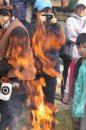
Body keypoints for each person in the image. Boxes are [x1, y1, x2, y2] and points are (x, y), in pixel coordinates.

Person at [0, 1, 35, 129]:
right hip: (9, 81)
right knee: (7, 115)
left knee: (12, 119)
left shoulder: (18, 30)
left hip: (19, 83)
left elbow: (12, 61)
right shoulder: (6, 28)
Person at [61, 0, 86, 101]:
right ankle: (65, 94)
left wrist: (80, 33)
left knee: (81, 73)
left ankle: (80, 95)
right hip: (71, 52)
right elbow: (70, 35)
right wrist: (83, 35)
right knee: (67, 73)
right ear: (76, 8)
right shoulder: (70, 20)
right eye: (79, 7)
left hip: (85, 54)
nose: (81, 10)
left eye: (84, 8)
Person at [32, 0, 65, 104]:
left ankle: (50, 120)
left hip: (51, 69)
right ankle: (34, 120)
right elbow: (30, 43)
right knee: (35, 102)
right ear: (35, 12)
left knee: (49, 102)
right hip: (35, 69)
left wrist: (56, 26)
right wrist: (39, 25)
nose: (46, 13)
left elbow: (61, 43)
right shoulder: (30, 26)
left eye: (48, 10)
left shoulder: (54, 26)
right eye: (43, 11)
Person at [63, 33, 86, 130]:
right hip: (75, 98)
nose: (81, 50)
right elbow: (69, 78)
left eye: (84, 47)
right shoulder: (74, 63)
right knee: (75, 123)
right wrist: (67, 93)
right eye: (78, 47)